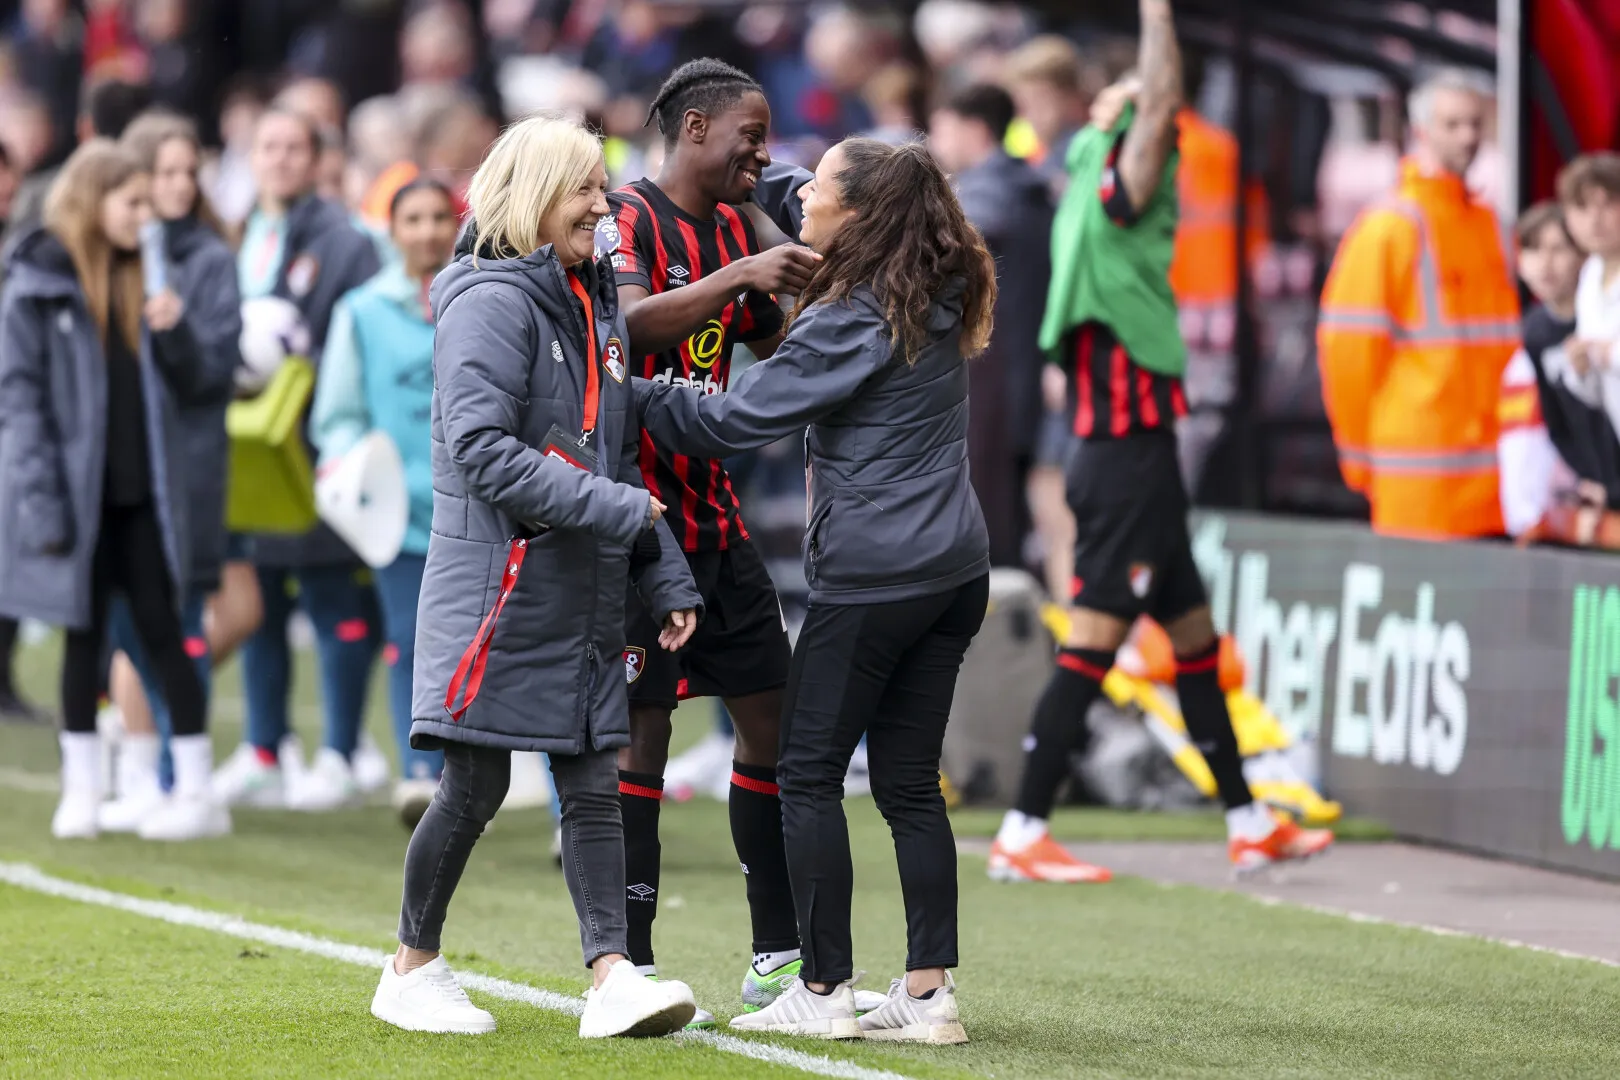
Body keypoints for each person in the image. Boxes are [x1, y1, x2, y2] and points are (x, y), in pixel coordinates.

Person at [635, 137, 994, 1043]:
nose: (799, 204)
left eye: (819, 193)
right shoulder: (937, 276)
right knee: (911, 785)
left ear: (861, 217)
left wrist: (624, 391)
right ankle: (926, 995)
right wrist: (775, 158)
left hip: (876, 580)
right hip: (956, 571)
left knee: (804, 776)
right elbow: (823, 187)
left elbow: (730, 421)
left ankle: (825, 990)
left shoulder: (853, 315)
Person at [369, 114, 703, 1041]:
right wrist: (622, 515)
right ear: (532, 194)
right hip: (498, 589)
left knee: (595, 782)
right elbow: (481, 452)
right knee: (472, 789)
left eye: (604, 186)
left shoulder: (591, 296)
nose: (605, 204)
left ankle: (614, 976)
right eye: (585, 188)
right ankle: (410, 968)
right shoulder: (487, 299)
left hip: (582, 587)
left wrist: (664, 569)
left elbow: (613, 454)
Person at [991, 0, 1335, 884]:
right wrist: (1156, 17)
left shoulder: (1086, 188)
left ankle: (1248, 817)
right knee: (1096, 638)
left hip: (1132, 456)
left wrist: (1136, 94)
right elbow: (1159, 103)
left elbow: (1149, 111)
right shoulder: (1115, 198)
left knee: (1192, 639)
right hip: (1127, 458)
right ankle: (1025, 825)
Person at [592, 58, 823, 1020]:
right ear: (694, 127)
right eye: (750, 136)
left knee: (770, 718)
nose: (761, 155)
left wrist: (805, 290)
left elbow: (780, 346)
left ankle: (776, 951)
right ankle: (633, 964)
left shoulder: (737, 225)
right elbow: (630, 329)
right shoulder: (626, 216)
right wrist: (742, 272)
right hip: (640, 524)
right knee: (644, 735)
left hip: (719, 520)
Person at [0, 139, 226, 840]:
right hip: (75, 500)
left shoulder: (150, 280)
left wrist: (177, 329)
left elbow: (203, 384)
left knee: (165, 634)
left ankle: (193, 789)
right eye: (132, 203)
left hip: (145, 499)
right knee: (82, 639)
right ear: (93, 201)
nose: (145, 217)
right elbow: (20, 399)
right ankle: (83, 790)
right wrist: (40, 500)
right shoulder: (37, 284)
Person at [212, 106, 385, 812]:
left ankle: (341, 751)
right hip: (250, 444)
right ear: (251, 158)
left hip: (318, 444)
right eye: (268, 147)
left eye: (294, 148)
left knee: (329, 591)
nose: (280, 159)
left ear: (316, 160)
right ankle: (264, 747)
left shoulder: (344, 242)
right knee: (260, 591)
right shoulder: (236, 234)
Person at [94, 112, 249, 832]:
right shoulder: (105, 254)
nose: (181, 186)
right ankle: (143, 770)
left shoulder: (211, 259)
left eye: (190, 172)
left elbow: (211, 375)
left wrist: (175, 325)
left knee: (178, 615)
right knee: (121, 621)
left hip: (185, 467)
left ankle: (179, 782)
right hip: (117, 466)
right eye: (165, 173)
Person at [311, 178, 459, 828]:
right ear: (392, 229)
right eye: (413, 219)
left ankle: (547, 789)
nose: (427, 231)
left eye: (438, 218)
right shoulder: (362, 312)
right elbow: (336, 415)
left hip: (480, 507)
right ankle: (420, 772)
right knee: (408, 638)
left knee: (503, 646)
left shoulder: (483, 298)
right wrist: (355, 466)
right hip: (399, 514)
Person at [1317, 68, 1520, 539]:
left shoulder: (1488, 224)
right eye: (1453, 124)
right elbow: (1348, 351)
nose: (1468, 136)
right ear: (1421, 132)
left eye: (1474, 123)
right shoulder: (1390, 225)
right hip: (1421, 484)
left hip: (1491, 481)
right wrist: (1358, 459)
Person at [930, 83, 1054, 569]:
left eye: (941, 128)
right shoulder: (1034, 185)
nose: (935, 142)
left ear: (973, 129)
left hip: (994, 374)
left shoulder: (988, 194)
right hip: (1023, 367)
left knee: (989, 511)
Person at [1498, 201, 1596, 542]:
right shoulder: (1529, 335)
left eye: (1558, 249)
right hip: (1544, 523)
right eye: (1533, 249)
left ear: (1584, 255)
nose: (1545, 264)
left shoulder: (1601, 326)